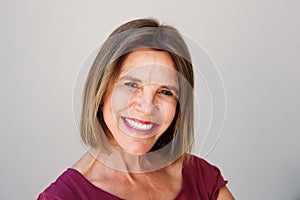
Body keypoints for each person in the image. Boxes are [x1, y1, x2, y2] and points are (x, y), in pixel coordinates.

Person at [38, 18, 234, 200]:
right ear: (102, 89)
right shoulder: (62, 197)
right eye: (131, 85)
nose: (147, 107)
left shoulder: (201, 178)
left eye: (165, 92)